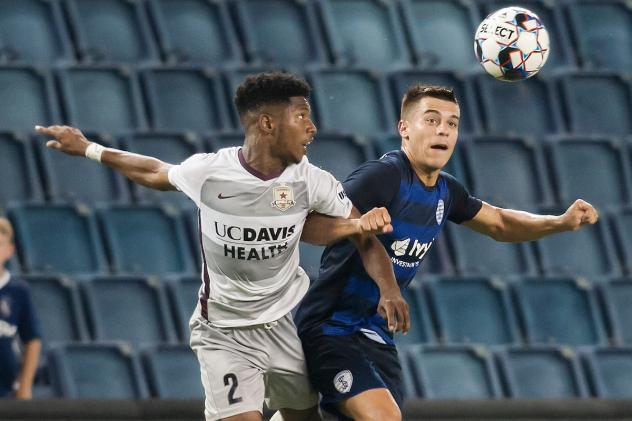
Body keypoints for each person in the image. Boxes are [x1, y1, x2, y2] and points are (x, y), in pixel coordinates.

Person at [36, 72, 409, 421]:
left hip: (282, 324)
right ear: (267, 123)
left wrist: (386, 285)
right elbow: (152, 170)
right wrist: (87, 148)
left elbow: (360, 236)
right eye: (301, 117)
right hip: (223, 333)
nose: (312, 128)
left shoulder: (312, 180)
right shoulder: (210, 172)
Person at [294, 85, 599, 421]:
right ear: (404, 129)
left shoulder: (447, 191)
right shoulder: (383, 177)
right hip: (331, 326)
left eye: (452, 124)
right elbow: (311, 225)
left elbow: (499, 223)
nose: (444, 129)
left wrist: (559, 222)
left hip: (377, 334)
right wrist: (360, 233)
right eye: (432, 119)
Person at [0, 217, 41, 399]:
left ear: (10, 250)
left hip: (6, 391)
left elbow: (32, 340)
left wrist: (24, 386)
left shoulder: (18, 291)